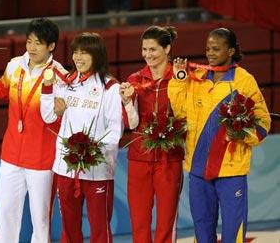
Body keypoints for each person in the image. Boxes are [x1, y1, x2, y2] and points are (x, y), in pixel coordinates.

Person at [0, 18, 65, 243]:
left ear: (51, 46)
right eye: (29, 42)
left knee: (41, 220)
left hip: (41, 159)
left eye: (38, 43)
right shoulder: (15, 64)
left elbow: (65, 113)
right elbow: (0, 88)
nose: (32, 47)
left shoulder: (60, 76)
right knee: (6, 214)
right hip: (11, 155)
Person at [169, 27, 271, 242]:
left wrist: (241, 133)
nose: (210, 53)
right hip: (198, 167)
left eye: (216, 48)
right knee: (202, 228)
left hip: (231, 170)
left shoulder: (244, 81)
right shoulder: (196, 77)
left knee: (233, 231)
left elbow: (263, 124)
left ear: (231, 51)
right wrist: (179, 79)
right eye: (207, 48)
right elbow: (180, 112)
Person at [40, 32, 123, 243]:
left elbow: (115, 130)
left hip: (97, 169)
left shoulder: (110, 87)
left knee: (99, 229)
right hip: (65, 167)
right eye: (75, 52)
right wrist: (48, 90)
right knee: (69, 227)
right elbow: (48, 115)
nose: (78, 57)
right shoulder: (66, 83)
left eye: (84, 52)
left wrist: (93, 151)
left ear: (97, 55)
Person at [119, 25, 184, 243]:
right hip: (139, 158)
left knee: (166, 223)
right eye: (144, 49)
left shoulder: (180, 78)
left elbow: (187, 115)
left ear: (167, 48)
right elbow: (132, 123)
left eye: (153, 49)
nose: (147, 54)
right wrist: (127, 102)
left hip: (169, 159)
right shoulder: (135, 79)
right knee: (139, 222)